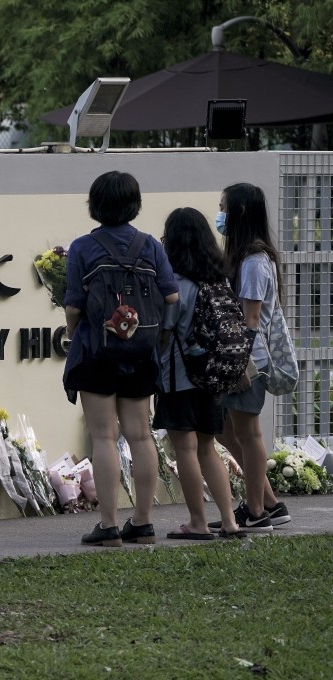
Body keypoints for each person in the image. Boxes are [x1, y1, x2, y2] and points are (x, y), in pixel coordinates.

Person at [63, 171, 179, 547]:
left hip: (97, 352)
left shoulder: (82, 247)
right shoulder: (151, 246)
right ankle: (143, 522)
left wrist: (71, 333)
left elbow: (73, 307)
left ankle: (109, 525)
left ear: (94, 205)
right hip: (142, 352)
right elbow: (172, 299)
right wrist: (154, 337)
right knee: (141, 434)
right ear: (134, 204)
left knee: (103, 436)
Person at [154, 207, 242, 539]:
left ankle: (198, 523)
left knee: (186, 450)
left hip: (180, 377)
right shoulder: (219, 279)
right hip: (215, 377)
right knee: (208, 449)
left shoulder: (176, 283)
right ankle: (230, 521)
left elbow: (166, 331)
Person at [211, 183, 291, 533]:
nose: (220, 214)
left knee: (248, 433)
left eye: (224, 207)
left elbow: (251, 319)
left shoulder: (256, 262)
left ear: (240, 212)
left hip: (248, 363)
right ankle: (270, 503)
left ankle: (256, 511)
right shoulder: (246, 258)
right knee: (229, 430)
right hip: (239, 359)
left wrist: (236, 359)